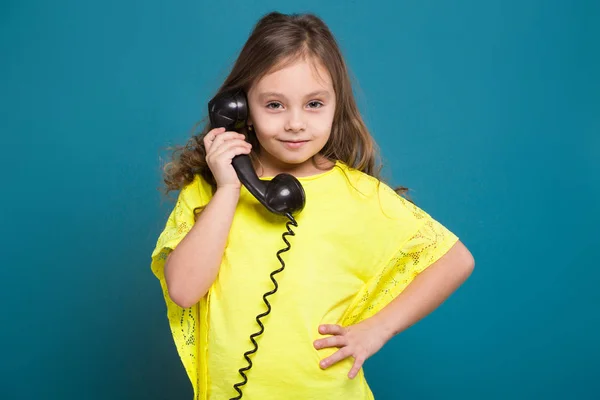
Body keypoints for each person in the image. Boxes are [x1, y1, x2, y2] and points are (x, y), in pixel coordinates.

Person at [151, 11, 475, 400]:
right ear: (239, 107)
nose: (295, 123)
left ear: (336, 106)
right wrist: (227, 190)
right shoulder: (213, 189)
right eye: (274, 105)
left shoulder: (359, 195)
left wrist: (378, 328)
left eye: (314, 104)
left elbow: (455, 260)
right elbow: (184, 291)